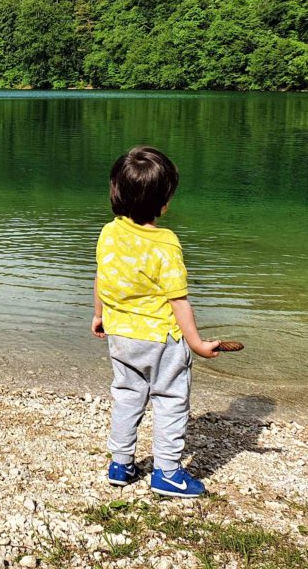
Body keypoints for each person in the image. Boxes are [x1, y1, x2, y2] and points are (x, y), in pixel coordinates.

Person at [92, 146, 220, 498]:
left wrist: (100, 314)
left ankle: (120, 464)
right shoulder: (165, 243)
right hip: (162, 339)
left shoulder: (108, 232)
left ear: (115, 192)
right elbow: (178, 300)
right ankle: (167, 472)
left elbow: (102, 277)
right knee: (170, 399)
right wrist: (196, 343)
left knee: (128, 395)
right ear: (164, 202)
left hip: (121, 335)